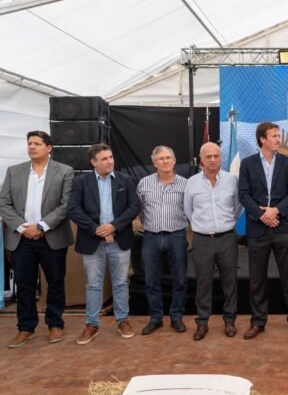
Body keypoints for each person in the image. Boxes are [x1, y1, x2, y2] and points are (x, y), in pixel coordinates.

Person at [0, 131, 74, 348]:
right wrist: (24, 228)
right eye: (29, 143)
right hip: (21, 238)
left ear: (49, 148)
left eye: (37, 144)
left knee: (55, 282)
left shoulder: (65, 171)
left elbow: (65, 205)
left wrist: (41, 226)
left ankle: (55, 324)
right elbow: (4, 203)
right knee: (24, 285)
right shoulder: (14, 171)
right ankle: (26, 327)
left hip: (52, 236)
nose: (32, 147)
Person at [67, 143, 140, 345]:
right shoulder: (81, 182)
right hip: (92, 240)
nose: (109, 162)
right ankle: (92, 324)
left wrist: (113, 226)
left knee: (121, 282)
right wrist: (97, 229)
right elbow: (73, 209)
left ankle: (123, 321)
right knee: (93, 284)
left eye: (111, 157)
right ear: (93, 162)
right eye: (104, 159)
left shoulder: (125, 180)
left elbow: (134, 207)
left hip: (120, 239)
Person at [238, 122, 288, 339]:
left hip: (282, 228)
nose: (279, 139)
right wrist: (262, 215)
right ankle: (258, 322)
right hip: (257, 230)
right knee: (257, 279)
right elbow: (243, 194)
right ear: (262, 139)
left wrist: (275, 211)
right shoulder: (247, 164)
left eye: (279, 135)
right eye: (274, 136)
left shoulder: (287, 163)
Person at [184, 142, 241, 340]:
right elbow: (188, 210)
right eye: (208, 156)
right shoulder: (191, 182)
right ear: (202, 159)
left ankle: (230, 320)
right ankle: (202, 322)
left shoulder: (232, 180)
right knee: (203, 282)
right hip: (202, 239)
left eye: (216, 156)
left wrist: (225, 224)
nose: (213, 160)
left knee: (230, 281)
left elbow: (237, 207)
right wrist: (203, 226)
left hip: (227, 238)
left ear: (221, 158)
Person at [137, 146, 188, 336]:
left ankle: (176, 316)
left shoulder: (185, 184)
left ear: (174, 160)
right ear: (154, 163)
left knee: (180, 280)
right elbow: (139, 209)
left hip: (177, 236)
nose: (165, 161)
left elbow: (190, 209)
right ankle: (156, 318)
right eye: (161, 158)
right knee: (151, 280)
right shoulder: (144, 183)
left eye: (168, 158)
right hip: (151, 237)